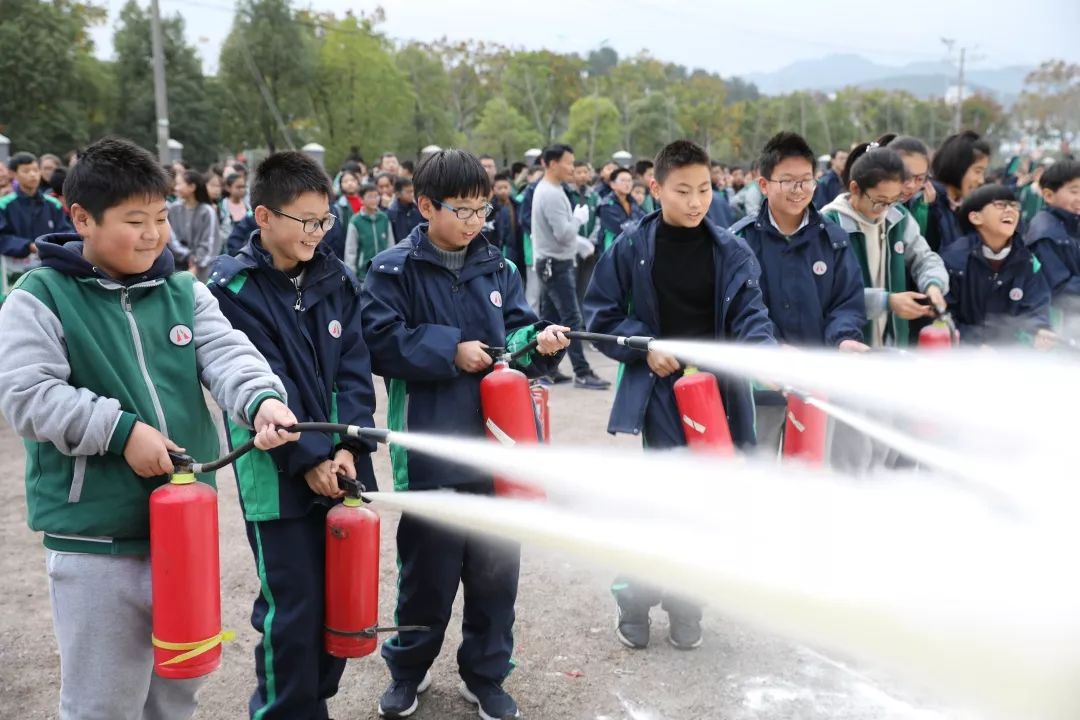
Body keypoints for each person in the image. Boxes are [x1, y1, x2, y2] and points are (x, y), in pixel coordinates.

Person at [0, 136, 296, 720]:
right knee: (103, 701)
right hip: (96, 542)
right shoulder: (39, 298)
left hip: (183, 532)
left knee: (177, 688)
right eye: (134, 220)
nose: (153, 234)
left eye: (160, 217)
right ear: (81, 217)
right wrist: (119, 431)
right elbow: (27, 394)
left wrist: (262, 400)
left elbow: (229, 355)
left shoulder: (185, 293)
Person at [361, 148, 570, 720]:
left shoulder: (497, 268)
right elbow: (378, 340)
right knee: (427, 573)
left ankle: (486, 673)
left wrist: (539, 342)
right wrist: (447, 349)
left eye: (484, 209)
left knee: (495, 571)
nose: (477, 222)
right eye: (463, 210)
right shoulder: (392, 269)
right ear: (425, 205)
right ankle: (409, 668)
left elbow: (517, 334)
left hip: (498, 450)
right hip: (431, 449)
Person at [584, 139, 775, 650]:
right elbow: (599, 317)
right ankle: (635, 597)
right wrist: (644, 348)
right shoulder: (630, 246)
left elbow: (752, 314)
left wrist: (766, 354)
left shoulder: (731, 250)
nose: (697, 202)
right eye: (683, 191)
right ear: (656, 188)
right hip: (664, 396)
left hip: (720, 393)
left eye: (705, 189)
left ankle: (689, 604)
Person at [208, 150, 379, 720]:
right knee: (293, 604)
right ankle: (285, 710)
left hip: (340, 466)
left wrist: (351, 446)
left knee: (340, 602)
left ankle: (313, 701)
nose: (317, 232)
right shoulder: (233, 291)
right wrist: (309, 457)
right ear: (264, 216)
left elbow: (355, 369)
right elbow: (266, 381)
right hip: (275, 473)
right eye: (305, 221)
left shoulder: (336, 279)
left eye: (324, 220)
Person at [729, 132, 867, 450]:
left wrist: (843, 338)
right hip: (759, 386)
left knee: (809, 471)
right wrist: (771, 347)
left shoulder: (833, 240)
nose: (799, 190)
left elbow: (847, 301)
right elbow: (738, 309)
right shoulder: (739, 243)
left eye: (806, 180)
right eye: (788, 181)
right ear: (763, 185)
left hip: (816, 384)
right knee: (757, 469)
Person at [821, 144, 948, 348]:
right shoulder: (829, 224)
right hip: (847, 346)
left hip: (891, 341)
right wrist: (885, 302)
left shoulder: (897, 217)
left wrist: (933, 284)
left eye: (893, 200)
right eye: (879, 201)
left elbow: (925, 258)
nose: (885, 209)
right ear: (855, 188)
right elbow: (828, 292)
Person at [532, 144, 610, 390]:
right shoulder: (552, 193)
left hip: (551, 263)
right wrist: (578, 218)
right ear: (553, 163)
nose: (572, 168)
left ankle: (546, 370)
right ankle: (582, 372)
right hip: (556, 265)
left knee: (549, 321)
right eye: (568, 162)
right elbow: (564, 234)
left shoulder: (551, 189)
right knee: (571, 320)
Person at [944, 184, 1052, 346]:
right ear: (975, 217)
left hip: (1008, 356)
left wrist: (1040, 329)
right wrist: (974, 345)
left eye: (1015, 206)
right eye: (1000, 205)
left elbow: (1036, 307)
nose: (1010, 210)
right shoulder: (954, 260)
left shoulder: (1027, 261)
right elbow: (943, 317)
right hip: (963, 357)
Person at [0, 152, 73, 302]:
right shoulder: (4, 205)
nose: (32, 175)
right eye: (26, 171)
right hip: (12, 274)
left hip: (48, 272)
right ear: (14, 174)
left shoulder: (53, 204)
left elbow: (66, 233)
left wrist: (50, 247)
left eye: (35, 170)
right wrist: (28, 246)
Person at [1023, 159, 1080, 322]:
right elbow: (1060, 288)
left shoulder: (1072, 223)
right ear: (1048, 195)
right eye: (1074, 191)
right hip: (1058, 323)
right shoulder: (1045, 234)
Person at [929, 131, 992, 250]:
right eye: (977, 171)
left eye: (983, 172)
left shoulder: (965, 209)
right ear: (958, 166)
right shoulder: (929, 204)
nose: (981, 180)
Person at [168, 169, 219, 280]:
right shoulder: (173, 209)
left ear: (192, 187)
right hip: (176, 269)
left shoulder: (207, 211)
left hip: (202, 270)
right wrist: (188, 256)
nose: (176, 188)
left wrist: (196, 263)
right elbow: (171, 238)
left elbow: (209, 242)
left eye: (179, 184)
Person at [345, 184, 394, 281]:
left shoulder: (384, 218)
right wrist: (351, 276)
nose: (374, 199)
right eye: (370, 197)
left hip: (383, 273)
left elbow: (391, 245)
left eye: (376, 196)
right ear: (362, 200)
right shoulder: (356, 221)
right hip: (363, 275)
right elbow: (351, 251)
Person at [597, 167, 645, 252]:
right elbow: (621, 228)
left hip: (631, 248)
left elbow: (643, 219)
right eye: (623, 180)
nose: (627, 184)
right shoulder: (606, 204)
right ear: (612, 184)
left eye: (629, 181)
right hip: (613, 250)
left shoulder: (633, 202)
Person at [386, 176, 423, 241]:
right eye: (409, 192)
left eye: (413, 191)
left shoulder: (417, 208)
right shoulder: (393, 212)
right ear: (398, 194)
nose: (412, 194)